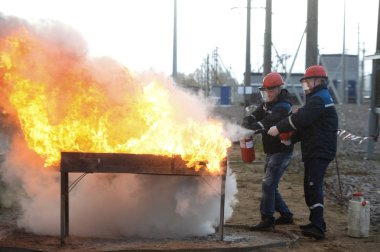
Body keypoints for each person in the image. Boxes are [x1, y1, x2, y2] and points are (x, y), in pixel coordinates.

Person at [267, 65, 338, 240]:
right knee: (310, 186)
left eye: (307, 80)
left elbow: (301, 118)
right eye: (304, 81)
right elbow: (307, 126)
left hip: (320, 150)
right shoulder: (317, 97)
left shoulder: (319, 99)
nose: (305, 84)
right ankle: (315, 222)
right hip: (315, 148)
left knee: (313, 186)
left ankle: (318, 227)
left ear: (318, 80)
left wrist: (279, 127)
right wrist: (291, 139)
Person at [242, 72, 294, 231]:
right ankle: (286, 215)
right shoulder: (268, 102)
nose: (267, 94)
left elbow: (267, 122)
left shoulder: (283, 106)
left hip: (281, 150)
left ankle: (267, 218)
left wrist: (250, 130)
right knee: (270, 184)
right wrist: (248, 119)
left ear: (278, 89)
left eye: (270, 91)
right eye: (265, 91)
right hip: (271, 150)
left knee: (268, 184)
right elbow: (258, 113)